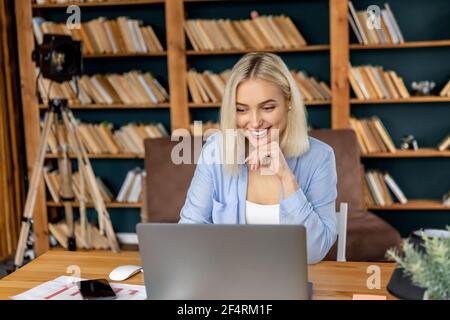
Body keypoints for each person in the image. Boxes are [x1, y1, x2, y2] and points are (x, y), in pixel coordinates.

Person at [179, 52, 337, 264]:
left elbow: (315, 253)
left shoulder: (320, 158)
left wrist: (286, 178)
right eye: (242, 110)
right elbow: (188, 232)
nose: (254, 122)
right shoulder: (215, 151)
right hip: (228, 281)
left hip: (290, 283)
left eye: (268, 108)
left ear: (288, 101)